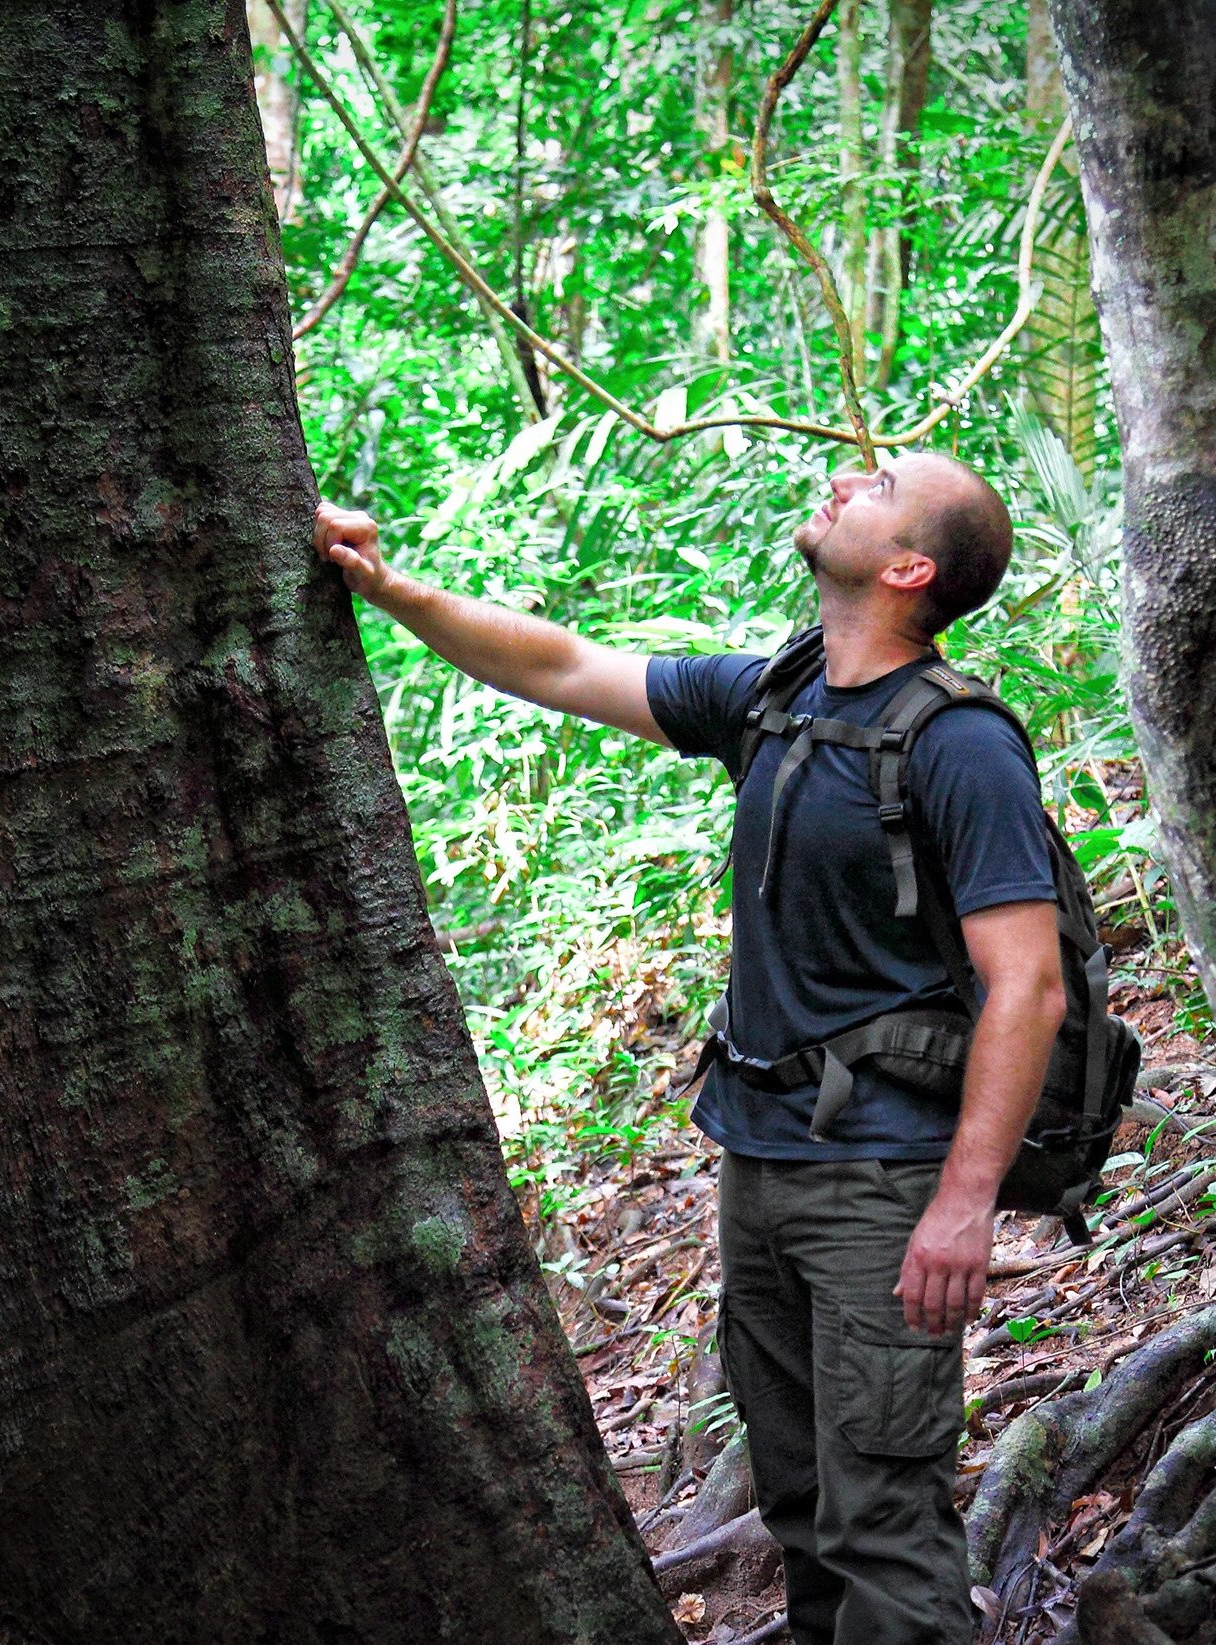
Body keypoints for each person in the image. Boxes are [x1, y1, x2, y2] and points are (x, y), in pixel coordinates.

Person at [317, 453, 1066, 1645]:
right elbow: (560, 664)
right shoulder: (777, 693)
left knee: (882, 1515)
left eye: (874, 486)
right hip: (761, 1159)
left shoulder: (958, 745)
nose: (839, 480)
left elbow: (1023, 983)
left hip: (884, 1184)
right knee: (803, 1501)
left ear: (907, 567)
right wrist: (387, 587)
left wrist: (964, 1199)